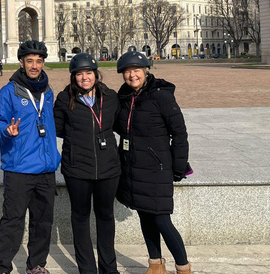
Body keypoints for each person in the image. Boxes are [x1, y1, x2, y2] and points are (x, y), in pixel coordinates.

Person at [114, 51, 192, 274]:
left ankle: (183, 267)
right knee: (145, 217)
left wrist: (178, 166)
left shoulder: (161, 96)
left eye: (136, 70)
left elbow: (179, 133)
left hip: (157, 168)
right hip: (133, 167)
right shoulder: (125, 96)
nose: (132, 75)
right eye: (127, 71)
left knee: (161, 220)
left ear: (146, 70)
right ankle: (156, 264)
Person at [0, 40, 60, 274]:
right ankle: (1, 268)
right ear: (21, 63)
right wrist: (6, 131)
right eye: (30, 61)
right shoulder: (8, 92)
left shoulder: (48, 92)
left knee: (43, 223)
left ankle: (36, 265)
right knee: (12, 222)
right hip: (19, 169)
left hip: (46, 169)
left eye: (39, 61)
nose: (34, 65)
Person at [54, 53, 121, 274]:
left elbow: (122, 124)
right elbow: (56, 128)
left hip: (108, 168)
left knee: (105, 217)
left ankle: (109, 269)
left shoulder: (110, 97)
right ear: (74, 77)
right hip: (77, 169)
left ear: (96, 74)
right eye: (80, 74)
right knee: (80, 218)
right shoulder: (65, 99)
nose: (84, 78)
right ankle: (87, 269)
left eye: (88, 73)